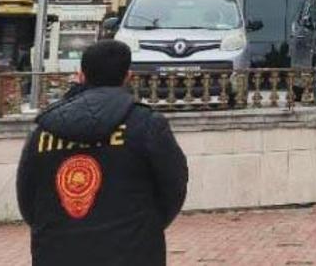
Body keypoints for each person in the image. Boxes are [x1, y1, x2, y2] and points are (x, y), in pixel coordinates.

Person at [16, 40, 188, 266]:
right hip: (133, 251)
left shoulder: (44, 131)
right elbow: (173, 188)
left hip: (57, 252)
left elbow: (27, 199)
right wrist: (145, 227)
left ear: (80, 76)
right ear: (128, 77)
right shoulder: (146, 125)